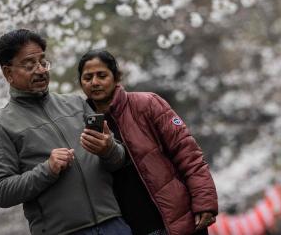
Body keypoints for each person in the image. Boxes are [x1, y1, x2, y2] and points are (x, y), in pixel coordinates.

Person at [0, 29, 132, 235]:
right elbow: (0, 191)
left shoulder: (76, 104)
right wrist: (47, 170)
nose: (41, 70)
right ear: (8, 73)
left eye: (43, 62)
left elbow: (119, 159)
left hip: (114, 224)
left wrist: (108, 149)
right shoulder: (1, 128)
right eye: (29, 65)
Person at [77, 50, 218, 235]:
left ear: (116, 77)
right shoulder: (80, 124)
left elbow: (187, 153)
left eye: (101, 75)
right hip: (132, 227)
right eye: (87, 78)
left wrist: (204, 202)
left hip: (178, 218)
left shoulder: (147, 104)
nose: (94, 82)